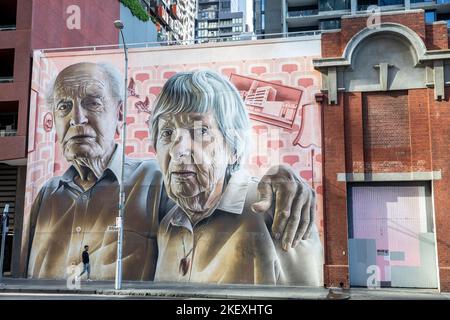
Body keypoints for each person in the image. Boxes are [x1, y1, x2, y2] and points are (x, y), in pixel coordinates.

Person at [26, 62, 316, 281]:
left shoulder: (154, 183)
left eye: (92, 102)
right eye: (167, 133)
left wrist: (283, 177)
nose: (77, 118)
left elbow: (223, 187)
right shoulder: (46, 197)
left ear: (118, 115)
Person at [150, 70, 323, 285]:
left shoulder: (276, 210)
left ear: (234, 148)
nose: (178, 150)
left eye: (200, 130)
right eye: (167, 132)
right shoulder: (169, 225)